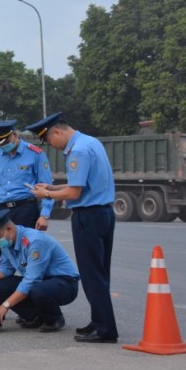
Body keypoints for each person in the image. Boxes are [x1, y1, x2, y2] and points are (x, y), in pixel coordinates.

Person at [27, 112, 119, 344]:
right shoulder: (90, 142)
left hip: (89, 216)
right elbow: (79, 184)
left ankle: (106, 329)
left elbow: (75, 193)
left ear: (57, 132)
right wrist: (51, 185)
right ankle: (99, 322)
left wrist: (45, 193)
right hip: (104, 213)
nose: (52, 146)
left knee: (91, 275)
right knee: (100, 272)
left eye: (49, 141)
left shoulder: (76, 151)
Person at [0, 209, 80, 332]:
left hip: (65, 284)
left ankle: (55, 319)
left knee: (36, 289)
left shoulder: (35, 241)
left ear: (8, 229)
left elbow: (31, 281)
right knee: (0, 286)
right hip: (41, 282)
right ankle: (36, 316)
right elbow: (6, 269)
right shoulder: (7, 242)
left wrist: (5, 305)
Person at [0, 119, 54, 272]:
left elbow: (47, 187)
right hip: (1, 213)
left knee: (27, 256)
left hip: (25, 209)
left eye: (4, 141)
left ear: (13, 135)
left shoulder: (35, 154)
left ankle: (27, 293)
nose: (2, 146)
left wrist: (44, 215)